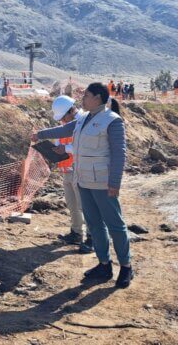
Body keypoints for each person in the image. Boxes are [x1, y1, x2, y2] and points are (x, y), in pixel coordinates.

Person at [31, 82, 134, 289]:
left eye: (86, 96)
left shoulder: (112, 121)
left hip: (103, 182)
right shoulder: (84, 119)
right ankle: (104, 264)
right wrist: (40, 134)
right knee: (95, 225)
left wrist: (114, 183)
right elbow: (63, 130)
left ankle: (126, 267)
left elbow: (119, 154)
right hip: (83, 180)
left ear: (97, 98)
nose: (82, 99)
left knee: (115, 225)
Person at [50, 95, 93, 254]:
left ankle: (92, 238)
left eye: (63, 118)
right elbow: (59, 143)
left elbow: (85, 147)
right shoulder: (65, 124)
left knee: (86, 206)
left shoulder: (84, 121)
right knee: (73, 205)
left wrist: (65, 149)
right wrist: (53, 149)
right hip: (66, 170)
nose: (62, 121)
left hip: (79, 170)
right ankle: (76, 233)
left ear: (70, 112)